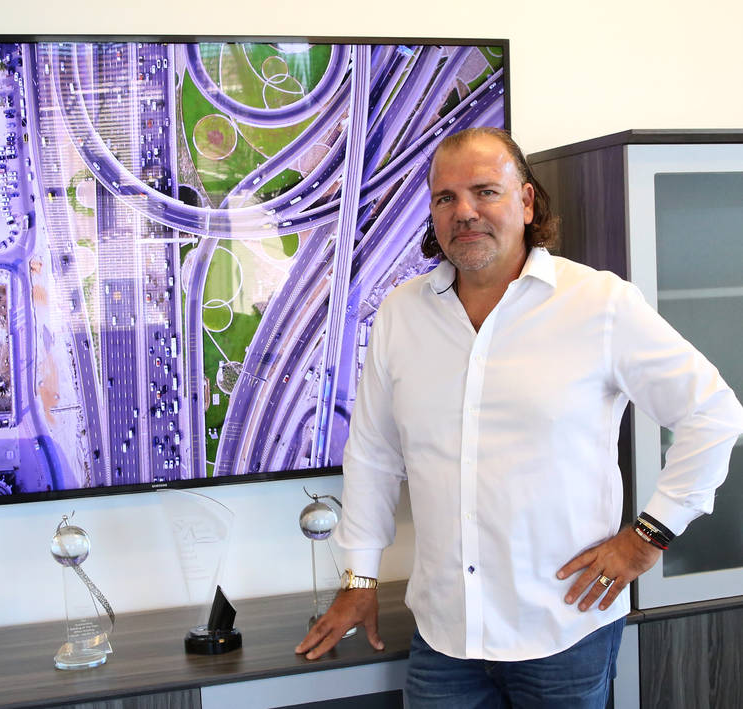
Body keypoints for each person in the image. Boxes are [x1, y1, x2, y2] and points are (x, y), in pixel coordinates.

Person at [295, 127, 743, 706]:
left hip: (563, 630)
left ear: (527, 202)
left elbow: (713, 412)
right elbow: (374, 456)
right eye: (446, 197)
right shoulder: (401, 315)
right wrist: (360, 577)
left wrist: (647, 539)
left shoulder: (598, 303)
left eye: (486, 191)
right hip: (446, 634)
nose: (465, 212)